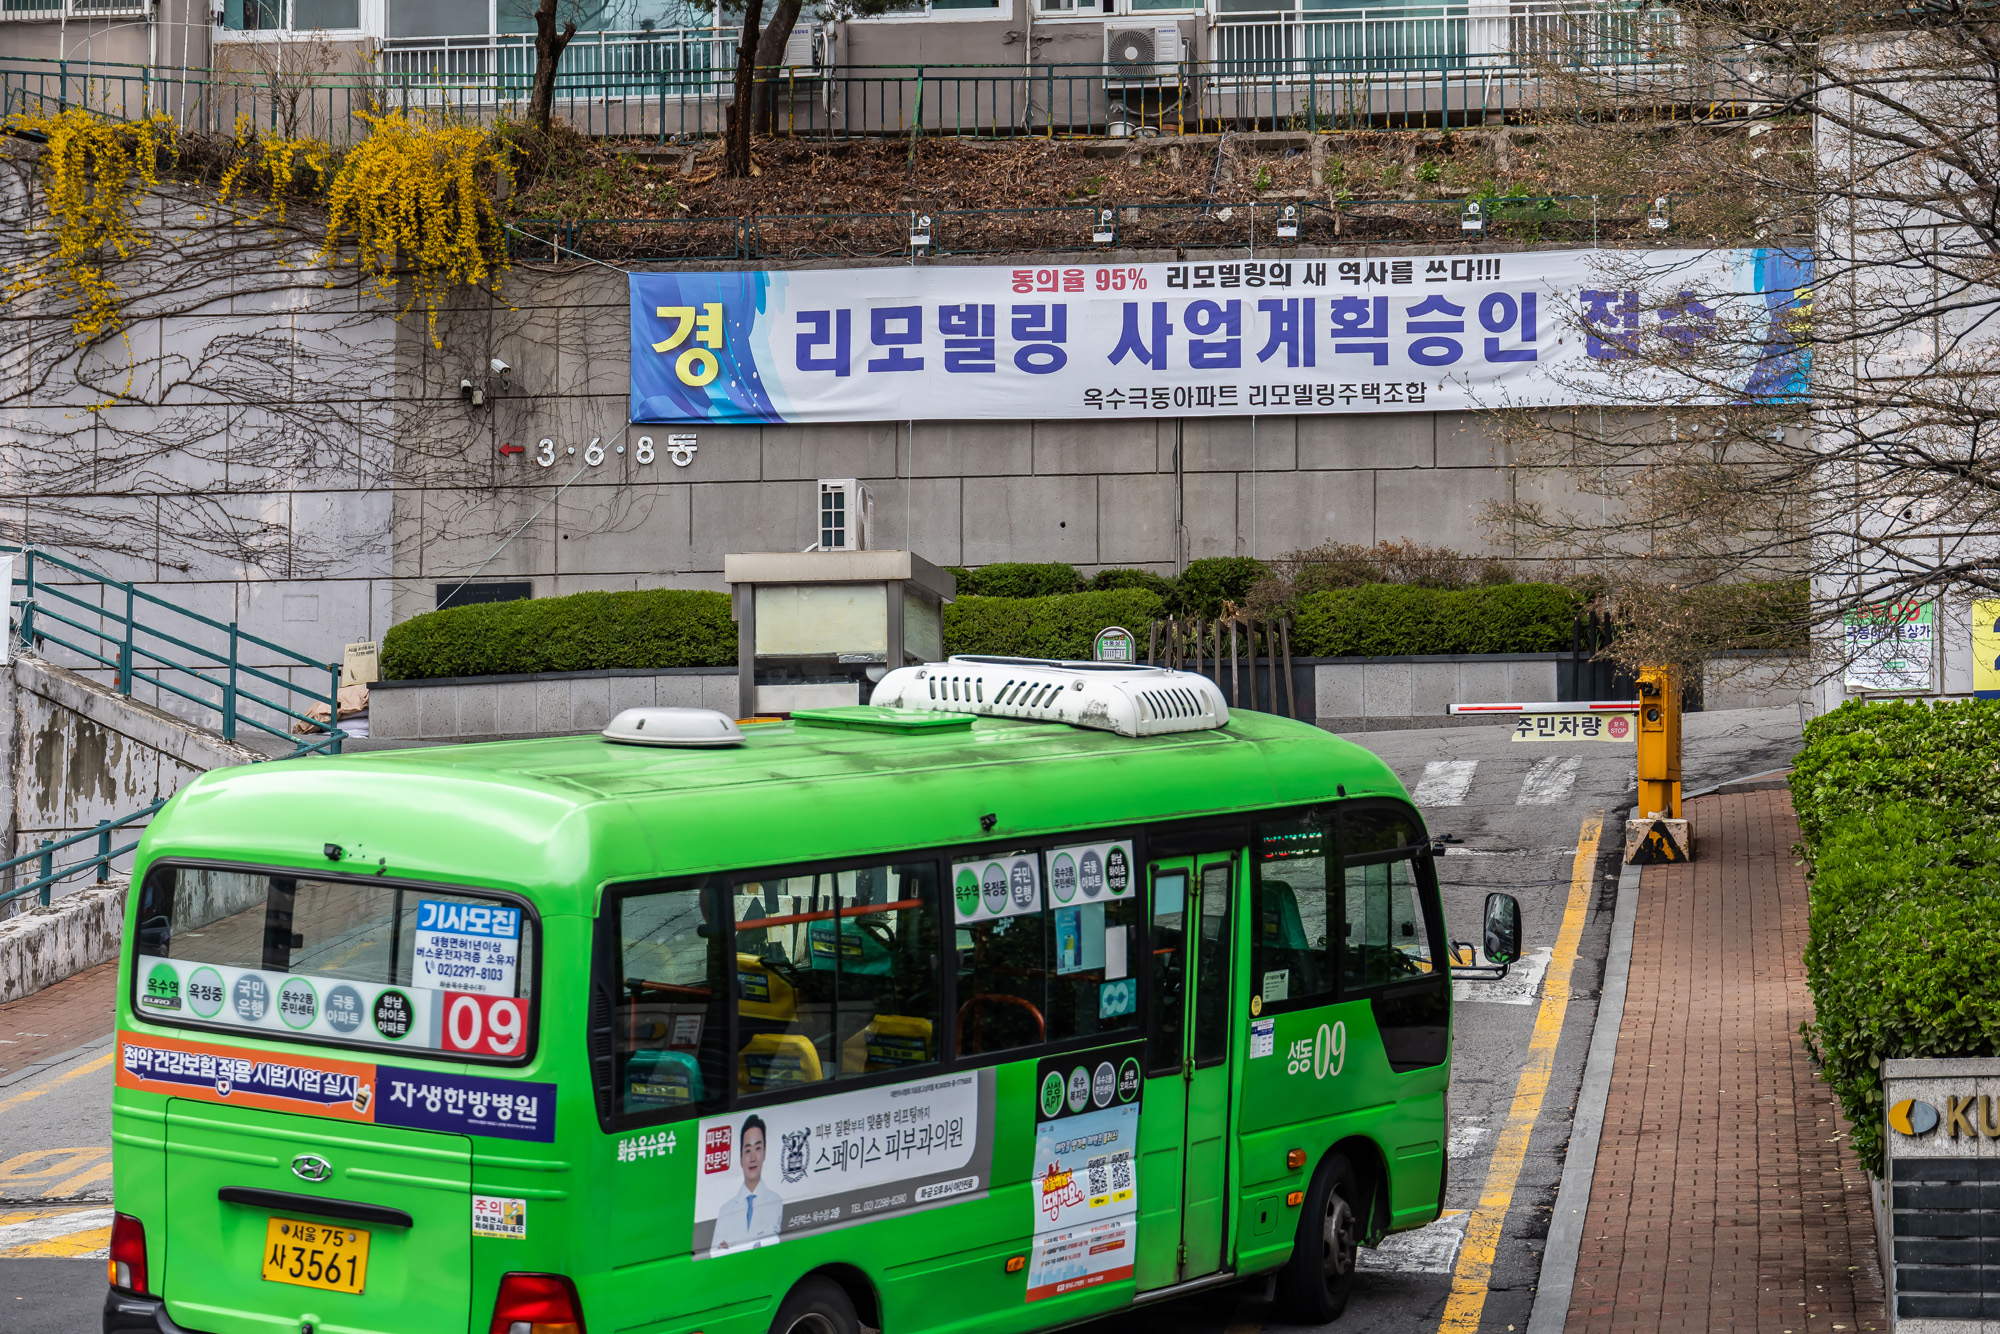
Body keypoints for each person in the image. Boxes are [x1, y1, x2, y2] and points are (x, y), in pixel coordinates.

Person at [711, 1115, 783, 1250]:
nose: (753, 1158)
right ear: (740, 1158)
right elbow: (715, 1253)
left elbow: (772, 1244)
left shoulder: (776, 1201)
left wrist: (731, 1247)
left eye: (758, 1148)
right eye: (748, 1150)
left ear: (765, 1152)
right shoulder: (725, 1210)